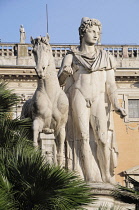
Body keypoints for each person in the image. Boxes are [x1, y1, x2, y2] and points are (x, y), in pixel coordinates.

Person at [58, 17, 126, 183]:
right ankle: (88, 175)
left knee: (102, 139)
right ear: (83, 32)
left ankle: (107, 175)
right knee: (82, 137)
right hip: (79, 95)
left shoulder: (105, 57)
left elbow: (111, 85)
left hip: (98, 98)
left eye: (98, 32)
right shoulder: (71, 56)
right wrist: (66, 73)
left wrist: (117, 105)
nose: (96, 35)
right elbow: (59, 80)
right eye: (92, 31)